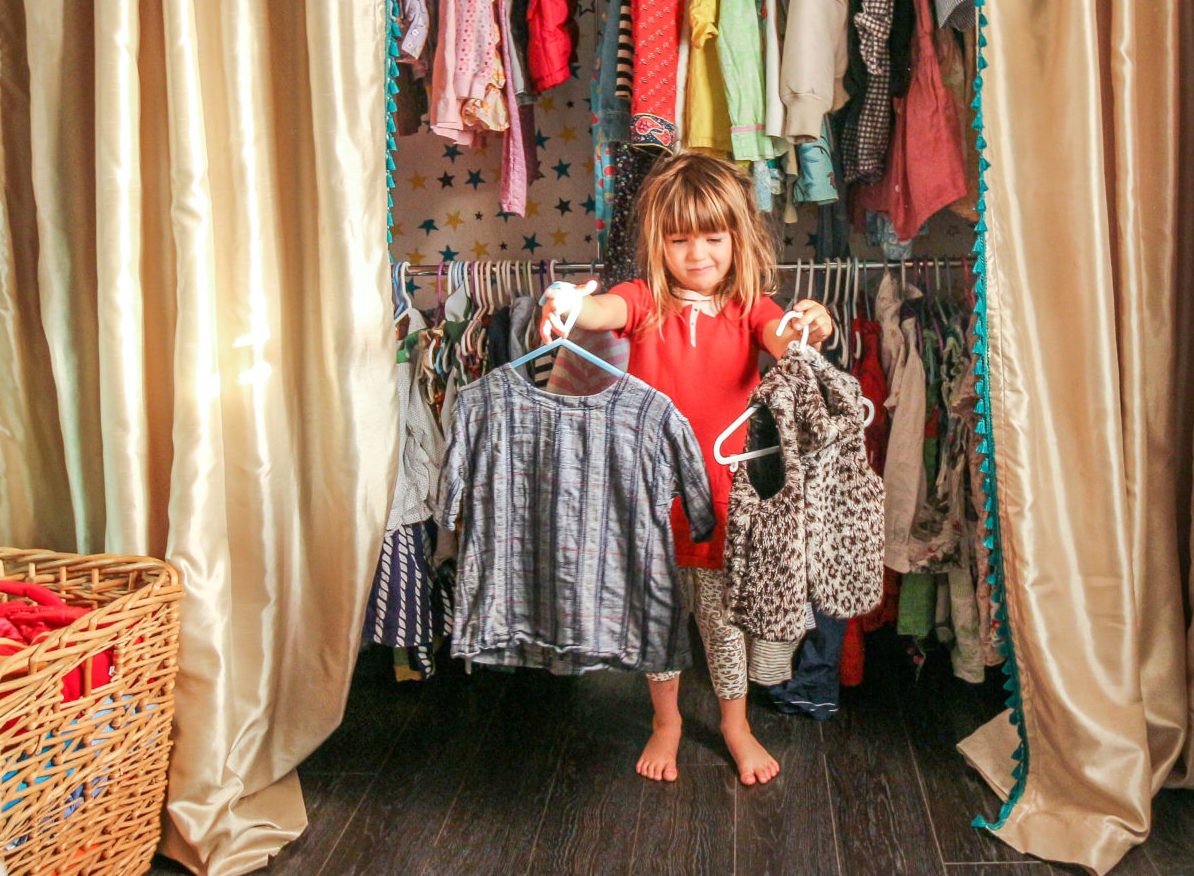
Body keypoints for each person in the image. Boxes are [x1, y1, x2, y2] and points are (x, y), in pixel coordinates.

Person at [539, 151, 834, 786]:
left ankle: (735, 723)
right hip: (650, 502)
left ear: (736, 238)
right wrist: (567, 299)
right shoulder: (640, 299)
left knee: (723, 623)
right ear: (658, 243)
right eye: (679, 240)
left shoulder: (749, 306)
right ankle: (666, 721)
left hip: (727, 503)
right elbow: (597, 314)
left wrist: (811, 323)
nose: (697, 253)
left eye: (712, 237)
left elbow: (787, 336)